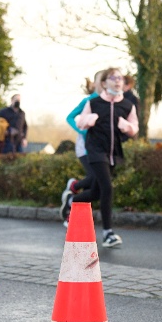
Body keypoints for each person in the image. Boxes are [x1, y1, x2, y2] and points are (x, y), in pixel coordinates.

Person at [61, 68, 139, 248]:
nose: (117, 81)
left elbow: (134, 127)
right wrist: (88, 120)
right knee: (107, 187)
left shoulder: (127, 105)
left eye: (120, 78)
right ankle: (108, 233)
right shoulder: (94, 102)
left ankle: (72, 201)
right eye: (113, 78)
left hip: (113, 152)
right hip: (95, 151)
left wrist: (126, 126)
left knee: (96, 193)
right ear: (104, 83)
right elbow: (79, 120)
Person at [60, 70, 105, 227]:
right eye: (102, 80)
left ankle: (72, 201)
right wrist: (82, 131)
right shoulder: (88, 101)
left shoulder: (110, 102)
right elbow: (70, 117)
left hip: (101, 149)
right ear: (96, 83)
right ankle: (73, 190)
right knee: (94, 177)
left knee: (97, 184)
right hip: (85, 148)